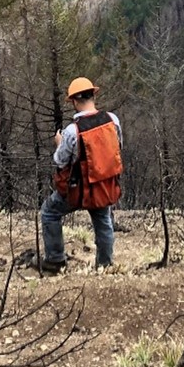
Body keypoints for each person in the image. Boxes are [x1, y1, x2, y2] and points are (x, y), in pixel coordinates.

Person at [40, 77, 122, 273]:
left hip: (78, 189)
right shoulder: (113, 120)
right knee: (103, 221)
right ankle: (105, 265)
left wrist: (59, 143)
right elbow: (118, 148)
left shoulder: (71, 131)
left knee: (49, 212)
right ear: (93, 95)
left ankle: (55, 260)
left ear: (75, 101)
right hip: (104, 186)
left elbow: (60, 161)